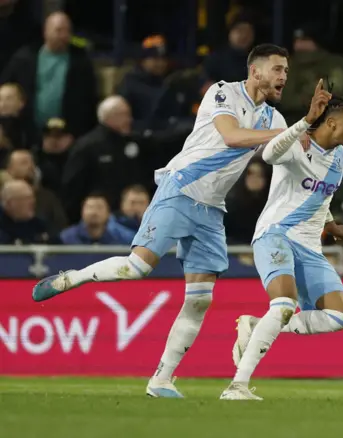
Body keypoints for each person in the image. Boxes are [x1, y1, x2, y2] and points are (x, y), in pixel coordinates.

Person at [31, 43, 304, 398]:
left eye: (286, 70)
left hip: (212, 209)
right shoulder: (222, 93)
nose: (284, 76)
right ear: (256, 71)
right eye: (278, 69)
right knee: (136, 268)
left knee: (200, 299)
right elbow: (232, 136)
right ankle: (73, 278)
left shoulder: (276, 120)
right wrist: (297, 130)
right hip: (180, 190)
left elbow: (284, 158)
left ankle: (161, 378)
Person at [220, 80, 343, 400]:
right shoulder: (299, 142)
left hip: (310, 246)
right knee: (284, 304)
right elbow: (269, 155)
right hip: (276, 235)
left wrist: (330, 222)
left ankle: (257, 326)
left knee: (339, 317)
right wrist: (304, 122)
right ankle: (237, 385)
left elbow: (320, 194)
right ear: (331, 122)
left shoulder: (340, 157)